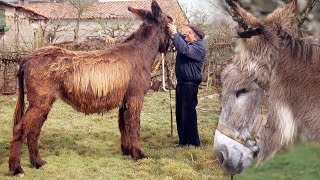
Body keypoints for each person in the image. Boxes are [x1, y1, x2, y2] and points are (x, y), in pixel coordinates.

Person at [167, 23, 206, 147]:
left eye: (189, 33)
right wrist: (173, 30)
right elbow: (180, 38)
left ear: (195, 37)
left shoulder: (199, 47)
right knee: (180, 115)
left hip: (190, 86)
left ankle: (193, 143)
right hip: (181, 85)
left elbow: (184, 49)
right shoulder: (190, 43)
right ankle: (183, 141)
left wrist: (174, 33)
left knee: (188, 114)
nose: (186, 35)